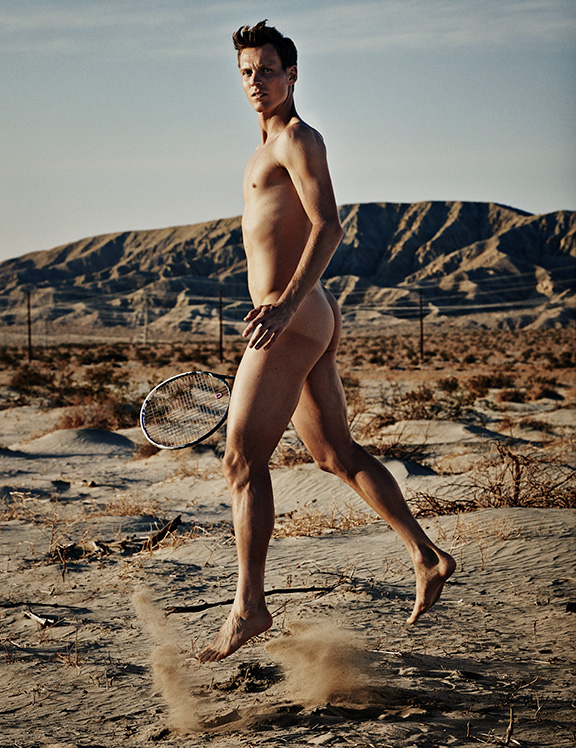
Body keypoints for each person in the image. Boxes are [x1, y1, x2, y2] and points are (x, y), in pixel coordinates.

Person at [198, 21, 455, 663]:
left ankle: (249, 608)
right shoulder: (265, 146)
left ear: (292, 75)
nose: (255, 81)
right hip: (302, 315)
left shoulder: (296, 138)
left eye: (267, 70)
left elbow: (329, 225)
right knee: (335, 452)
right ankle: (426, 555)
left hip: (291, 316)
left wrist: (286, 305)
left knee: (240, 461)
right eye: (246, 72)